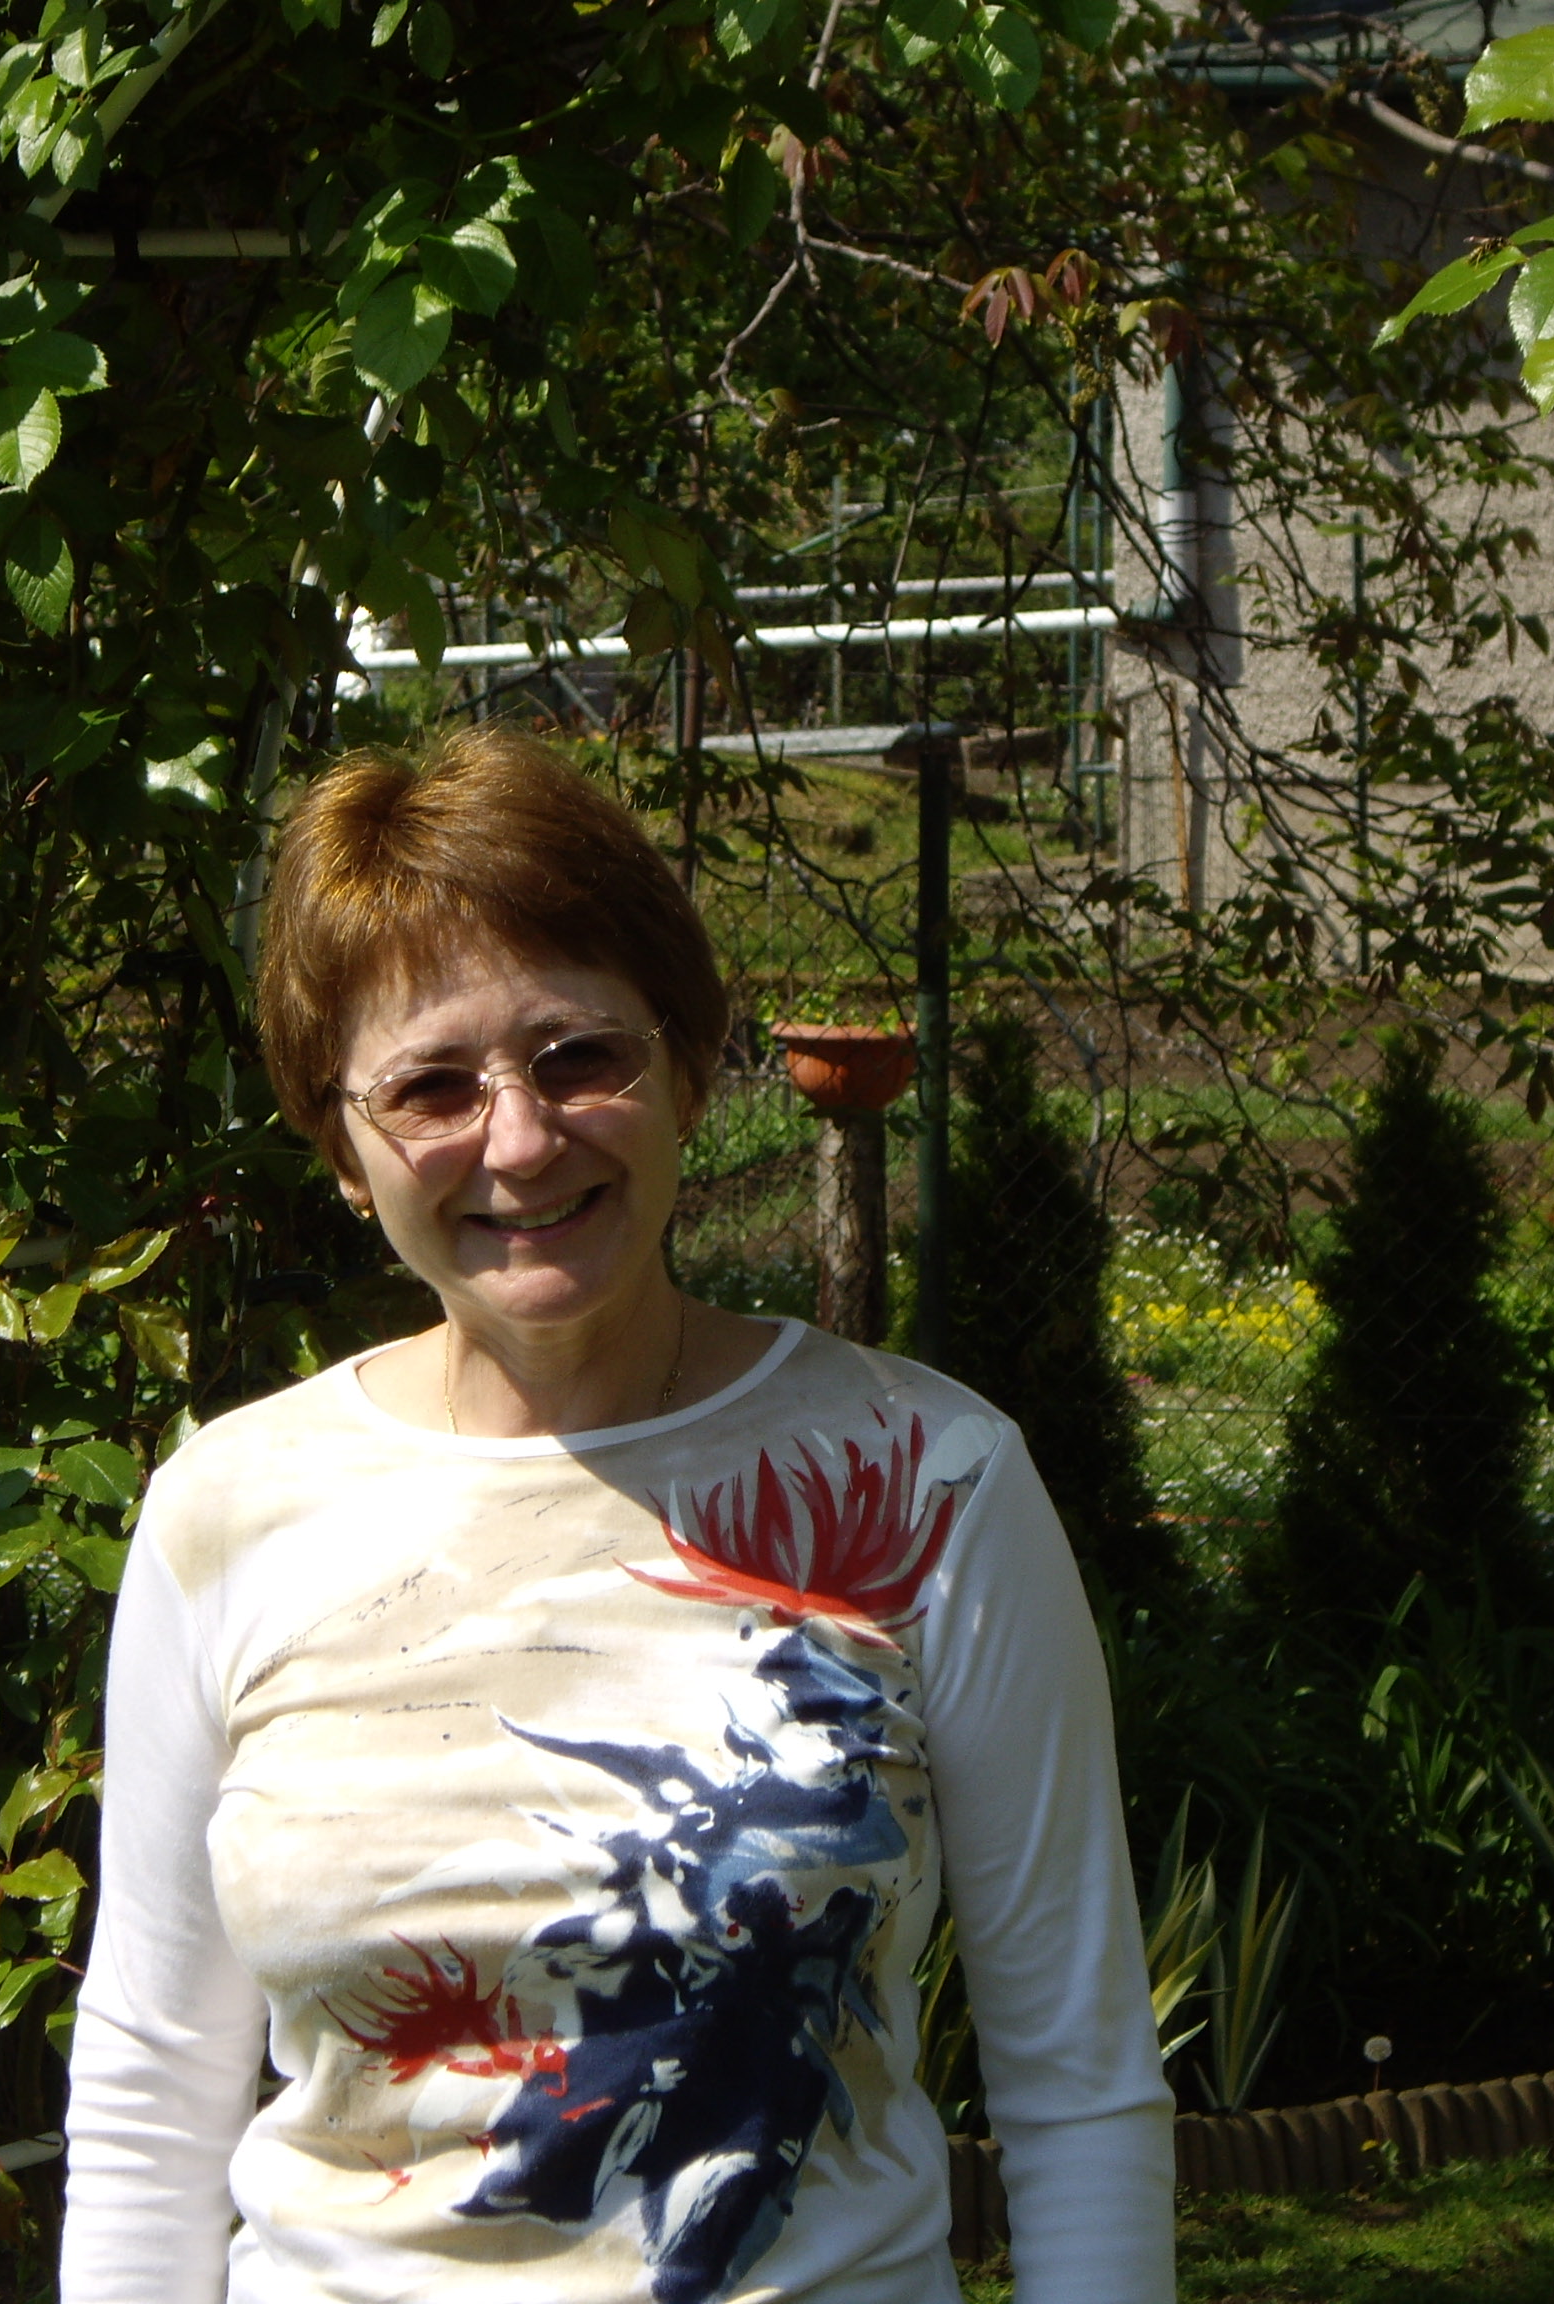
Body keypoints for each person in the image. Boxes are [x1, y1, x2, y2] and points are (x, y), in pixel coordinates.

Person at [60, 724, 1172, 2304]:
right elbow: (151, 2096)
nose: (519, 1140)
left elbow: (1077, 2080)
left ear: (690, 1067)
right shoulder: (226, 1517)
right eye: (431, 1087)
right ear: (343, 1149)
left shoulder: (930, 1480)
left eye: (580, 1056)